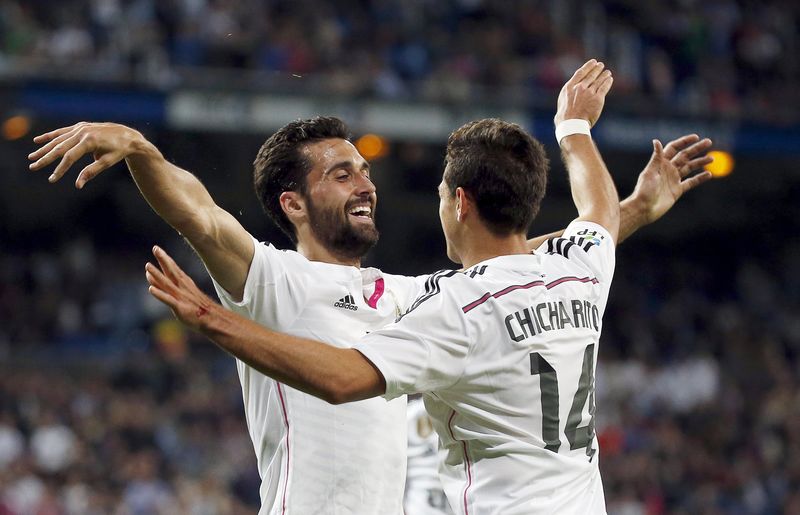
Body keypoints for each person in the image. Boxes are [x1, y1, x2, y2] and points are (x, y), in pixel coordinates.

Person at [29, 60, 711, 514]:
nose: (365, 182)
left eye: (363, 168)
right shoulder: (274, 280)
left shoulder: (420, 295)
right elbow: (201, 214)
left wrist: (637, 211)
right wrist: (144, 152)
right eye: (341, 174)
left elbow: (527, 264)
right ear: (293, 202)